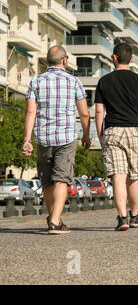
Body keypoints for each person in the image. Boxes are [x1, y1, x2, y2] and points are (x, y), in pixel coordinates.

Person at [22, 45, 90, 234]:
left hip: (43, 137)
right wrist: (86, 134)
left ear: (46, 61)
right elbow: (84, 113)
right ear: (64, 60)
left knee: (47, 181)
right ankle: (55, 220)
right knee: (61, 179)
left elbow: (30, 112)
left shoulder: (36, 82)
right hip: (66, 137)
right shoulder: (74, 81)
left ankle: (53, 219)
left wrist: (27, 139)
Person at [95, 43, 138, 231]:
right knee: (134, 177)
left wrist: (100, 133)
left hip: (113, 129)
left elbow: (99, 111)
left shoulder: (104, 81)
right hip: (135, 131)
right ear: (131, 59)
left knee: (118, 176)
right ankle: (135, 215)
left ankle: (122, 217)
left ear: (114, 58)